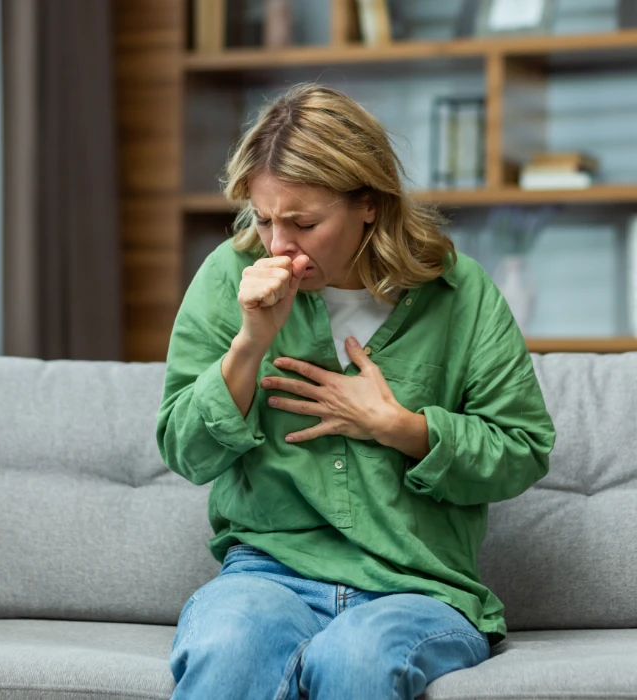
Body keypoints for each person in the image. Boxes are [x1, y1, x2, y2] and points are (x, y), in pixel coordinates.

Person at [155, 83, 556, 699]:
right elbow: (186, 452)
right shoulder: (227, 277)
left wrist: (402, 428)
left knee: (355, 658)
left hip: (416, 586)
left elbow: (523, 449)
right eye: (264, 219)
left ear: (368, 203)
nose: (279, 245)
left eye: (304, 223)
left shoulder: (462, 294)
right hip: (268, 574)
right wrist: (250, 343)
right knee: (228, 648)